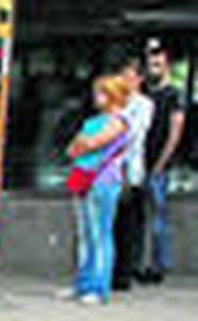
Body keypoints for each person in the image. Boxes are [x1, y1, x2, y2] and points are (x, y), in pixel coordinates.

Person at [65, 76, 132, 306]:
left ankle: (99, 287)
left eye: (101, 93)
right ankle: (82, 284)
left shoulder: (119, 121)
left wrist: (83, 141)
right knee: (85, 235)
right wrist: (82, 142)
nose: (97, 98)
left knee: (100, 234)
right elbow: (71, 150)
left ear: (113, 95)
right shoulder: (94, 120)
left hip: (104, 181)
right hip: (84, 179)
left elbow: (91, 144)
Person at [142, 39, 186, 284]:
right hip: (141, 162)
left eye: (158, 63)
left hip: (158, 165)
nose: (153, 67)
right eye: (150, 63)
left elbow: (175, 133)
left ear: (167, 65)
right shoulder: (147, 93)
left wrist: (160, 164)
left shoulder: (174, 95)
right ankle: (143, 263)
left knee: (158, 216)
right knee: (142, 217)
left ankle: (159, 266)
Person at [111, 53, 154, 292]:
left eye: (130, 77)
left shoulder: (144, 104)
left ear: (139, 80)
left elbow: (134, 134)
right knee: (110, 224)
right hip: (108, 170)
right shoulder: (114, 100)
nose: (126, 81)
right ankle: (107, 271)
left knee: (127, 225)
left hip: (130, 170)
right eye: (123, 76)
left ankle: (123, 275)